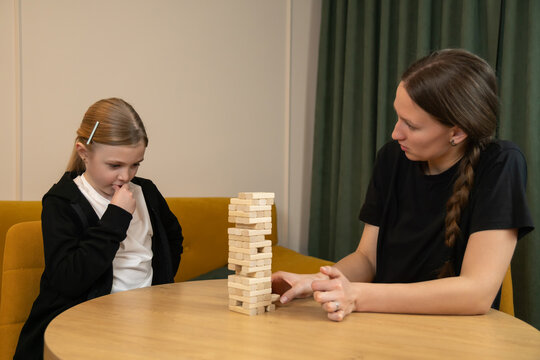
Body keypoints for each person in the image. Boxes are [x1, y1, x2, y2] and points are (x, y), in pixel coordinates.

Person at [272, 49, 534, 322]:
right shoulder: (391, 157)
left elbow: (476, 292)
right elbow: (367, 258)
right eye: (398, 117)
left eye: (411, 125)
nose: (396, 133)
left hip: (456, 332)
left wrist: (357, 296)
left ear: (457, 132)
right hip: (381, 322)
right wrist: (317, 283)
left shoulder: (500, 163)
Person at [14, 98, 183, 358]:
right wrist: (115, 218)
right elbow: (67, 279)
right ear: (84, 153)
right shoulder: (62, 201)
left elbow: (173, 239)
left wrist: (159, 293)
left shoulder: (146, 192)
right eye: (114, 165)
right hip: (83, 327)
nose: (126, 176)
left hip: (145, 325)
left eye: (135, 164)